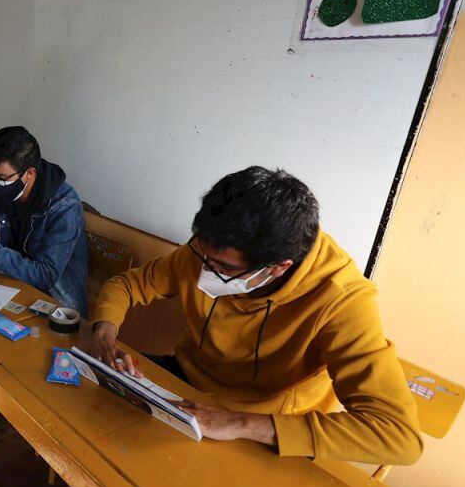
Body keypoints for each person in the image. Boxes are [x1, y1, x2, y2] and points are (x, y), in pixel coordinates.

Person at [89, 166, 423, 465]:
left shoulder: (342, 301)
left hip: (260, 422)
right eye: (203, 257)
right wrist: (105, 330)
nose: (203, 269)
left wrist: (239, 423)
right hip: (187, 384)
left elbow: (397, 436)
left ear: (278, 268)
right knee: (94, 420)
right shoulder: (209, 251)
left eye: (222, 268)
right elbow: (128, 285)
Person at [0, 126, 88, 428]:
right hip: (13, 280)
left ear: (29, 173)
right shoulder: (2, 186)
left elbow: (45, 275)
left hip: (55, 301)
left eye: (1, 177)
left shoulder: (64, 206)